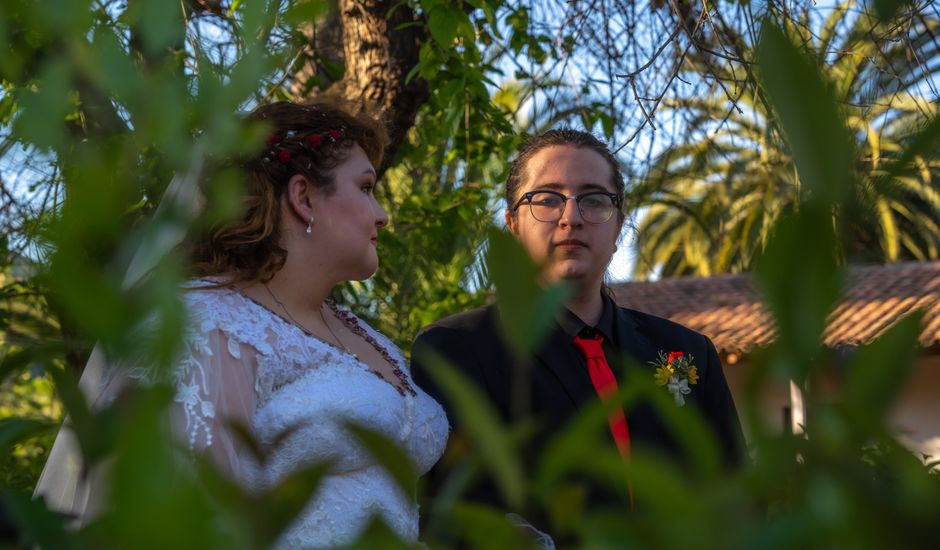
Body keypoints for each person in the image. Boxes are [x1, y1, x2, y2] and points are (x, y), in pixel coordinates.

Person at [34, 100, 449, 548]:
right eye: (366, 188)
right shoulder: (209, 327)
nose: (382, 215)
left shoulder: (366, 335)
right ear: (303, 197)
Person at [411, 129, 744, 517]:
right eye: (547, 200)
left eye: (594, 200)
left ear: (619, 225)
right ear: (513, 225)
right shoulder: (457, 349)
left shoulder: (687, 351)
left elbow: (735, 495)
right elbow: (456, 515)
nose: (571, 218)